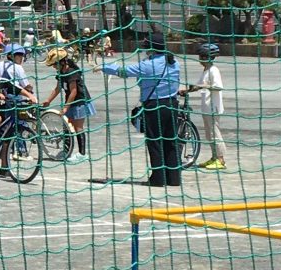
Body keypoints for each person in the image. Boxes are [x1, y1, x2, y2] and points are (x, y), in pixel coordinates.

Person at [97, 32, 181, 187]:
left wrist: (103, 67)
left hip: (154, 106)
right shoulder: (174, 62)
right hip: (172, 104)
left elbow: (123, 72)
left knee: (154, 141)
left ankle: (158, 178)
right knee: (171, 141)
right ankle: (174, 178)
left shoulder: (147, 65)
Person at [42, 48, 95, 163]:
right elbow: (57, 89)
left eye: (55, 64)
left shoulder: (72, 72)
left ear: (62, 62)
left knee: (78, 128)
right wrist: (48, 100)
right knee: (67, 127)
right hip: (71, 103)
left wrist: (66, 107)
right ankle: (66, 151)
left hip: (80, 102)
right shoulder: (61, 73)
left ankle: (82, 154)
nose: (54, 67)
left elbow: (74, 91)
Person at [180, 43, 226, 170]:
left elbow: (218, 86)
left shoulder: (213, 70)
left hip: (213, 107)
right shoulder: (206, 70)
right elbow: (199, 85)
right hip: (206, 107)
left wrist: (202, 86)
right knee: (209, 134)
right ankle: (214, 157)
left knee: (215, 134)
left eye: (201, 56)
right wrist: (186, 90)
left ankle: (220, 160)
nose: (200, 59)